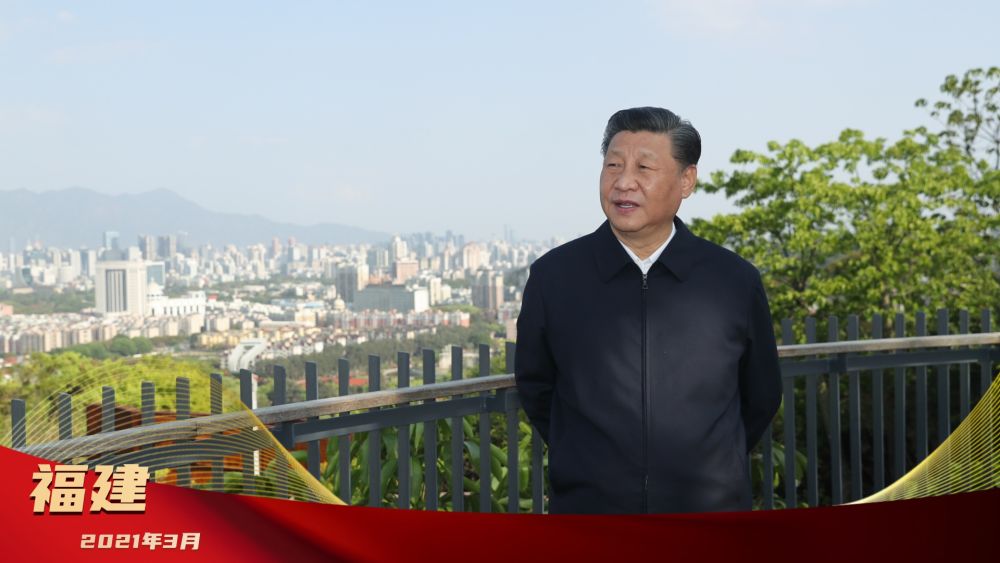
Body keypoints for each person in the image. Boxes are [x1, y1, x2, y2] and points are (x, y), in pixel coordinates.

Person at [514, 106, 782, 514]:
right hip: (591, 515)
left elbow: (760, 394)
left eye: (644, 168)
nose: (624, 182)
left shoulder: (732, 281)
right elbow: (536, 386)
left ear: (686, 180)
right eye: (613, 165)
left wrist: (712, 463)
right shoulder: (555, 277)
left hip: (710, 515)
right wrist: (586, 461)